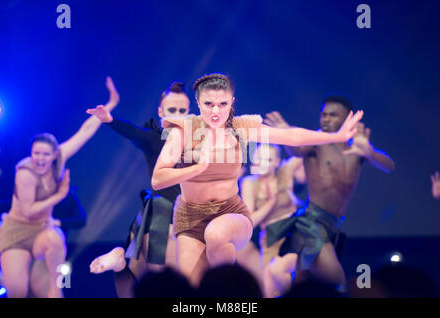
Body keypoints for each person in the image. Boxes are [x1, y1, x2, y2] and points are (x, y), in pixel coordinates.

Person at [151, 73, 363, 286]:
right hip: (190, 216)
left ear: (232, 102)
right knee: (191, 289)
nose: (216, 111)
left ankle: (226, 290)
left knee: (216, 234)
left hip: (230, 212)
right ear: (197, 102)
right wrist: (197, 168)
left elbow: (290, 136)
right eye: (209, 104)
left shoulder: (241, 127)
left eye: (222, 104)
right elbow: (158, 179)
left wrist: (336, 137)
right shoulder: (184, 131)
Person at [0, 76, 119, 298]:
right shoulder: (25, 171)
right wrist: (58, 195)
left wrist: (110, 105)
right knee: (19, 292)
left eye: (45, 154)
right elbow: (30, 209)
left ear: (54, 154)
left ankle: (56, 287)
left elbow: (85, 131)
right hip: (15, 231)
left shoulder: (60, 157)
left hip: (42, 230)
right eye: (36, 154)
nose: (40, 159)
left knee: (54, 238)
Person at [263, 95, 395, 291]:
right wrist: (284, 131)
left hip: (333, 225)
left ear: (348, 118)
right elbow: (295, 148)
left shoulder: (357, 148)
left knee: (303, 281)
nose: (326, 119)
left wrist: (370, 152)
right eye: (323, 115)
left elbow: (389, 165)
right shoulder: (315, 142)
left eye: (333, 115)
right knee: (336, 280)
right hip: (311, 223)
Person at [87, 81, 190, 297]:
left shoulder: (196, 140)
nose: (178, 115)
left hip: (181, 214)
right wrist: (110, 120)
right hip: (162, 214)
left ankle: (119, 262)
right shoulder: (155, 138)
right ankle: (120, 262)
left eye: (183, 111)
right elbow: (135, 133)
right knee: (160, 282)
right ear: (161, 112)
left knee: (140, 280)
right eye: (172, 110)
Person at [240, 143, 304, 297]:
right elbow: (250, 221)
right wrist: (270, 204)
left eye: (268, 159)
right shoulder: (250, 183)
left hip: (294, 236)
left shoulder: (284, 173)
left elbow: (304, 149)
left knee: (279, 272)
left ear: (277, 162)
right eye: (259, 158)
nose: (263, 163)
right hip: (270, 240)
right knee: (268, 291)